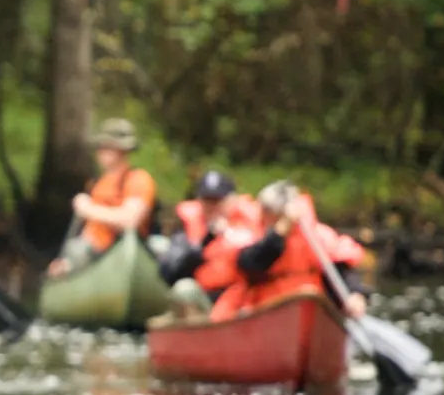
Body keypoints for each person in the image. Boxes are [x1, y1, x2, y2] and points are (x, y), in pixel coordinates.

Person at [210, 181, 371, 323]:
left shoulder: (318, 236)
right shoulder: (251, 235)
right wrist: (280, 231)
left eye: (273, 215)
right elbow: (250, 264)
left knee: (312, 294)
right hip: (265, 310)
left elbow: (341, 269)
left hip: (313, 308)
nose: (267, 220)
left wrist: (354, 294)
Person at [47, 118, 157, 277]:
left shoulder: (139, 179)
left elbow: (131, 220)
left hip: (119, 255)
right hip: (90, 254)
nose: (100, 152)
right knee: (74, 251)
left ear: (121, 150)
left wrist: (88, 209)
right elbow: (89, 232)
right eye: (101, 147)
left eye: (106, 147)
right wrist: (66, 263)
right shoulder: (97, 184)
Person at [155, 170, 263, 316]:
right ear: (199, 201)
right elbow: (169, 272)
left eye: (218, 201)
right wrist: (206, 241)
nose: (212, 207)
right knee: (184, 289)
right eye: (207, 201)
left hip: (241, 297)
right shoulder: (186, 228)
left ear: (231, 201)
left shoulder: (250, 224)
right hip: (205, 299)